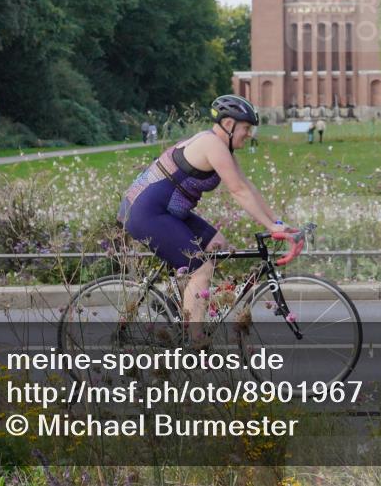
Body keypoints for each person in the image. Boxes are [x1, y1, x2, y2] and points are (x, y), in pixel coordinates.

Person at [117, 95, 297, 341]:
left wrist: (278, 223)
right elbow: (238, 191)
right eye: (246, 128)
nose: (249, 134)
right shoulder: (212, 145)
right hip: (146, 212)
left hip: (167, 211)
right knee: (201, 269)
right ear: (229, 125)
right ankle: (195, 341)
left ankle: (184, 303)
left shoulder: (223, 148)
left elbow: (249, 187)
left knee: (217, 245)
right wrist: (270, 226)